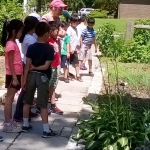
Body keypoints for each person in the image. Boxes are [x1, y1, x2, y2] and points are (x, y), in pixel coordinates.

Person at [22, 22, 57, 138]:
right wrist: (36, 67)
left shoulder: (31, 47)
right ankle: (46, 130)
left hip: (31, 75)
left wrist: (24, 79)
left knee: (27, 101)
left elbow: (27, 65)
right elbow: (46, 66)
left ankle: (25, 124)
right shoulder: (49, 49)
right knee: (42, 104)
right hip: (43, 77)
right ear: (47, 33)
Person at [13, 16, 39, 122]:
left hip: (26, 63)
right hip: (29, 65)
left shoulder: (29, 36)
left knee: (28, 90)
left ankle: (24, 112)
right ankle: (19, 113)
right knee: (26, 90)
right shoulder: (30, 39)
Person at [1, 19, 24, 132]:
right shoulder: (10, 44)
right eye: (20, 31)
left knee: (11, 98)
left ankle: (9, 121)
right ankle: (7, 124)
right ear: (15, 31)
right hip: (13, 75)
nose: (21, 33)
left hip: (16, 74)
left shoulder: (13, 43)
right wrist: (14, 77)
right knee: (9, 99)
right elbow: (10, 62)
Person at [46, 21, 63, 115]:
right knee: (47, 87)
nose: (59, 32)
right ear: (51, 31)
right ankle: (42, 106)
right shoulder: (48, 41)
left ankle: (52, 105)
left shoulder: (56, 40)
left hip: (55, 66)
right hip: (50, 67)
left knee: (52, 86)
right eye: (57, 30)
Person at [67, 13, 82, 82]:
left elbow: (78, 38)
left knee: (76, 62)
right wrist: (69, 48)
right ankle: (67, 74)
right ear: (71, 22)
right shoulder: (69, 29)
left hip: (75, 49)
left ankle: (78, 75)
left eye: (77, 22)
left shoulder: (76, 29)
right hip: (69, 49)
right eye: (75, 22)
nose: (76, 23)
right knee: (67, 63)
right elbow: (68, 40)